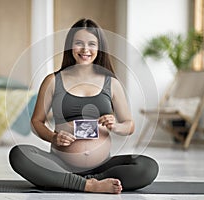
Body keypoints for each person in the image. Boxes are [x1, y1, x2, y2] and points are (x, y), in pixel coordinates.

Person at [9, 18, 158, 194]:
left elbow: (129, 125)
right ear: (70, 46)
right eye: (79, 43)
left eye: (92, 44)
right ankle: (89, 185)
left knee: (148, 167)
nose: (85, 49)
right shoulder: (53, 81)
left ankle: (71, 182)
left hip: (102, 167)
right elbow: (36, 122)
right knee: (19, 154)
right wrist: (53, 137)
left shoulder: (112, 83)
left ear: (99, 47)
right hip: (61, 164)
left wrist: (116, 126)